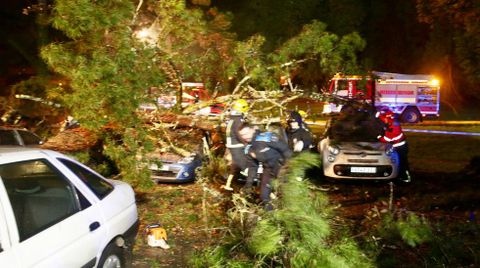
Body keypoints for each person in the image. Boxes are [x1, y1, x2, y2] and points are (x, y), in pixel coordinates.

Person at [239, 125, 292, 210]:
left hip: (281, 166)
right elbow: (253, 167)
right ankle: (271, 216)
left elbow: (285, 150)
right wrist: (248, 184)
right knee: (264, 195)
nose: (246, 136)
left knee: (285, 194)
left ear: (253, 130)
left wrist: (288, 167)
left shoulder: (267, 137)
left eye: (247, 133)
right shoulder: (248, 149)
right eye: (242, 135)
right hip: (268, 170)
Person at [376, 108, 412, 182]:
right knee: (396, 162)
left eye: (385, 119)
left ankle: (406, 178)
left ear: (388, 118)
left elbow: (390, 139)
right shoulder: (390, 122)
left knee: (402, 163)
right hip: (397, 146)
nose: (384, 121)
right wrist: (377, 114)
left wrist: (379, 137)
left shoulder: (394, 126)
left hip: (400, 147)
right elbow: (382, 118)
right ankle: (398, 176)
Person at [225, 99, 250, 180]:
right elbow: (238, 133)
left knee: (235, 165)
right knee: (245, 165)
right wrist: (245, 143)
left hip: (231, 144)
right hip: (236, 145)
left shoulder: (232, 119)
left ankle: (229, 183)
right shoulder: (238, 120)